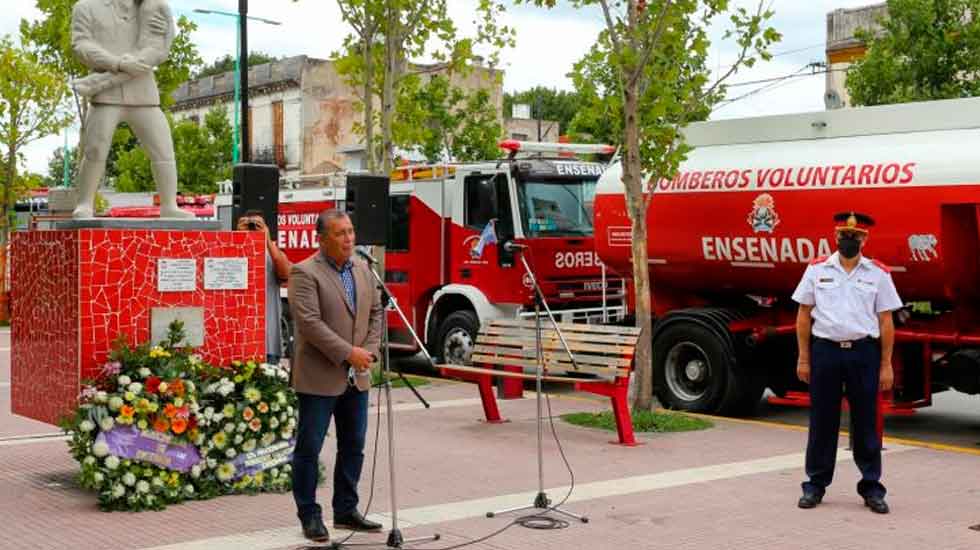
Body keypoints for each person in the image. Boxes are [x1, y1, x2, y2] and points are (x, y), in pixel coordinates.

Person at [791, 211, 903, 514]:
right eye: (844, 235)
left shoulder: (878, 273)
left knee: (867, 422)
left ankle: (871, 488)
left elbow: (886, 320)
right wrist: (804, 357)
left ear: (865, 239)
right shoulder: (816, 270)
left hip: (863, 353)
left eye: (855, 236)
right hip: (825, 352)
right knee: (822, 422)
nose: (849, 240)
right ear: (835, 236)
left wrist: (886, 364)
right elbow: (803, 314)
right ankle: (814, 485)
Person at [288, 209, 383, 543]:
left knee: (354, 445)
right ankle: (309, 515)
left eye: (351, 231)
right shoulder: (304, 272)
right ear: (322, 238)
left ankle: (346, 509)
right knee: (309, 447)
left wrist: (368, 352)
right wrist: (348, 352)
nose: (349, 239)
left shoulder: (363, 269)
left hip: (357, 376)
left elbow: (376, 312)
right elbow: (310, 324)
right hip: (319, 377)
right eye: (341, 233)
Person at [70, 0, 192, 219]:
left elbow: (161, 46)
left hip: (143, 93)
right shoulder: (86, 6)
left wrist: (167, 32)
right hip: (106, 98)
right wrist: (118, 63)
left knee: (163, 149)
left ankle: (169, 205)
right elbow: (81, 46)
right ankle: (85, 203)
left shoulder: (152, 7)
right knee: (95, 149)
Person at [236, 210, 291, 364]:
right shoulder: (233, 248)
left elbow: (286, 274)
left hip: (268, 341)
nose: (253, 228)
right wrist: (238, 237)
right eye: (249, 224)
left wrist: (267, 239)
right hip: (238, 339)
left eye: (258, 225)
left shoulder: (273, 253)